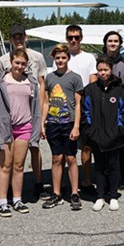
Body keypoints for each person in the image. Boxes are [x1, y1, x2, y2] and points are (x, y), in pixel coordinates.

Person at [0, 24, 49, 201]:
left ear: (25, 38)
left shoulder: (37, 57)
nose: (18, 39)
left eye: (21, 36)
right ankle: (10, 188)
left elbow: (42, 85)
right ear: (10, 40)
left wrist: (41, 114)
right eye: (14, 37)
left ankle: (38, 182)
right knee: (9, 155)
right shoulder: (3, 60)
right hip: (10, 114)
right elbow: (0, 88)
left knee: (34, 148)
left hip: (30, 110)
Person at [0, 47, 42, 216]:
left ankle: (17, 199)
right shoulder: (1, 83)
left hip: (24, 127)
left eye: (23, 64)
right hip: (6, 129)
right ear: (10, 62)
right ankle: (3, 202)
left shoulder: (31, 82)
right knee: (5, 166)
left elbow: (36, 109)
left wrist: (36, 130)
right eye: (16, 63)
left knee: (19, 166)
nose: (19, 66)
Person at [81, 56, 124, 212]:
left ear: (111, 70)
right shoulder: (90, 89)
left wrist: (119, 130)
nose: (103, 73)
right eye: (100, 70)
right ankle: (100, 196)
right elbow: (85, 111)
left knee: (113, 166)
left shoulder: (120, 90)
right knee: (100, 167)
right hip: (96, 136)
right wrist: (90, 131)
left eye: (106, 70)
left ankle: (113, 195)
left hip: (113, 136)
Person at [40, 43, 85, 210]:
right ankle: (57, 193)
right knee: (56, 158)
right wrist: (42, 124)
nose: (60, 60)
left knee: (71, 158)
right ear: (54, 58)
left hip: (69, 123)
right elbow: (45, 102)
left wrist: (76, 126)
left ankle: (74, 193)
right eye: (57, 58)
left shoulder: (75, 78)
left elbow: (78, 104)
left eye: (63, 58)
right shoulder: (49, 78)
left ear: (68, 58)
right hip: (53, 122)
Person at [66, 24, 98, 195]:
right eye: (70, 37)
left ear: (81, 38)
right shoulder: (62, 56)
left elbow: (93, 82)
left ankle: (86, 181)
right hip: (64, 108)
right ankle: (67, 183)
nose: (73, 40)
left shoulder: (89, 58)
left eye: (76, 37)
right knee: (65, 149)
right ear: (66, 39)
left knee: (86, 147)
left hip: (84, 107)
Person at [101, 30, 124, 184]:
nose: (113, 44)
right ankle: (106, 176)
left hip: (121, 108)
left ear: (120, 44)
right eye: (110, 41)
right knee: (106, 144)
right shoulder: (99, 62)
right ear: (105, 43)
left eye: (116, 41)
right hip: (104, 110)